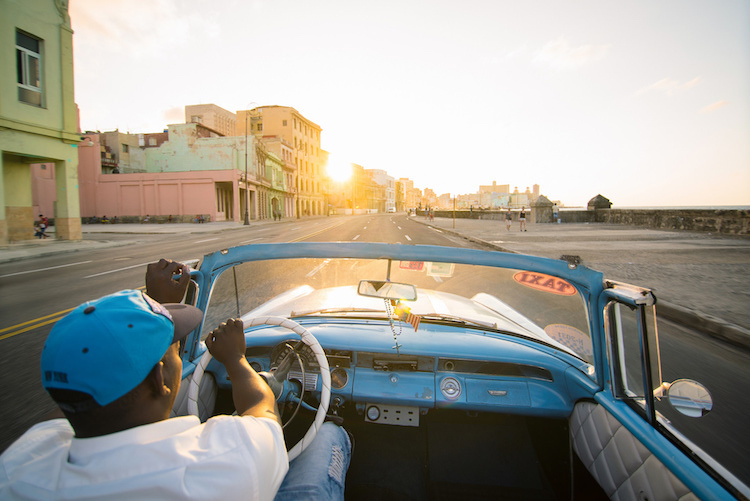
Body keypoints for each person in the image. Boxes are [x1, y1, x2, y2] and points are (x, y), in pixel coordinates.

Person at [0, 259, 351, 500]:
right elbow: (263, 406)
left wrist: (155, 308)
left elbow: (75, 402)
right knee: (329, 434)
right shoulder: (224, 459)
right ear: (159, 380)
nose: (177, 352)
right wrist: (236, 359)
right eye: (172, 350)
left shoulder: (20, 467)